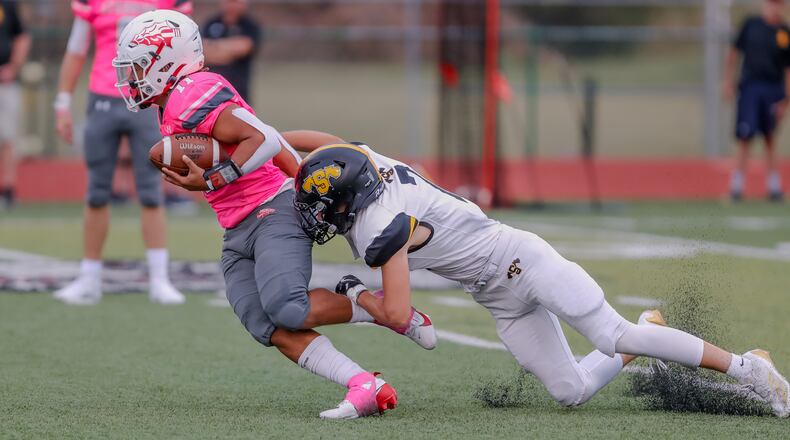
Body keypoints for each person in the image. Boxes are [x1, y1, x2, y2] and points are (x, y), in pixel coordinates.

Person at [290, 136, 790, 418]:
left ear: (348, 199)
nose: (317, 215)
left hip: (517, 258)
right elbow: (321, 142)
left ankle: (749, 366)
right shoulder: (366, 160)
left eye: (322, 205)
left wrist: (357, 293)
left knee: (611, 334)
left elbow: (399, 314)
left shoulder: (381, 224)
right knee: (571, 392)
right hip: (494, 293)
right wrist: (272, 138)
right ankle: (650, 330)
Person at [112, 10, 437, 419]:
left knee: (288, 307)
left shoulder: (193, 92)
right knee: (262, 322)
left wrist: (215, 179)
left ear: (167, 61)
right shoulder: (172, 104)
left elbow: (264, 138)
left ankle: (376, 306)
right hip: (236, 225)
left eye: (140, 65)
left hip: (272, 207)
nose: (133, 77)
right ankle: (364, 384)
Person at [52, 0, 193, 305]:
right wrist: (62, 103)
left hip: (150, 97)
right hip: (103, 96)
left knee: (152, 190)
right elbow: (76, 49)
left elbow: (184, 48)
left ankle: (159, 278)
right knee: (96, 191)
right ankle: (89, 277)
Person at [723, 0, 789, 202]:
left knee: (770, 138)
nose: (773, 7)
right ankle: (736, 187)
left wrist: (785, 99)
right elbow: (734, 53)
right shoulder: (750, 25)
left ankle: (774, 187)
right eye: (771, 3)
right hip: (750, 88)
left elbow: (788, 68)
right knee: (745, 137)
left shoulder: (784, 32)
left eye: (777, 4)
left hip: (773, 89)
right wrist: (728, 81)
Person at [0, 0, 30, 209]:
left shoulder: (7, 4)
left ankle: (8, 189)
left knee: (7, 136)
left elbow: (22, 36)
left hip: (5, 83)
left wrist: (13, 66)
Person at [202, 0, 260, 103]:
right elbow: (203, 52)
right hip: (211, 91)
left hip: (239, 91)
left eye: (236, 2)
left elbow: (244, 47)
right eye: (229, 1)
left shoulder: (250, 26)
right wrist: (229, 50)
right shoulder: (211, 23)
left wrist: (214, 46)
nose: (232, 5)